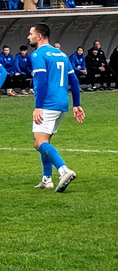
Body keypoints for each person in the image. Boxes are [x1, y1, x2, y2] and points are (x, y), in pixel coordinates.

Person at [28, 23, 84, 192]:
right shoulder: (61, 54)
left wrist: (38, 106)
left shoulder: (38, 54)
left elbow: (42, 81)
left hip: (48, 104)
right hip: (61, 104)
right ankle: (46, 179)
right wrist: (77, 104)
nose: (28, 37)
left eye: (30, 34)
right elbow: (74, 81)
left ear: (39, 36)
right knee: (44, 141)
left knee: (39, 143)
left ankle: (64, 170)